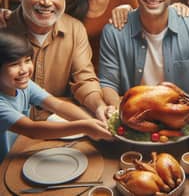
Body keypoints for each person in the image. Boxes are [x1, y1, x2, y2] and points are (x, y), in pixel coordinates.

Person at [5, 0, 110, 121]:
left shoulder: (75, 29)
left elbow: (84, 79)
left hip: (60, 122)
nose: (46, 2)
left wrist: (99, 105)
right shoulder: (4, 29)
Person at [0, 31, 112, 162]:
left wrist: (99, 124)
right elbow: (32, 130)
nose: (24, 70)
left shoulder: (24, 85)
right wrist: (86, 127)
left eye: (27, 60)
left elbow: (57, 105)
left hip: (17, 150)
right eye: (14, 64)